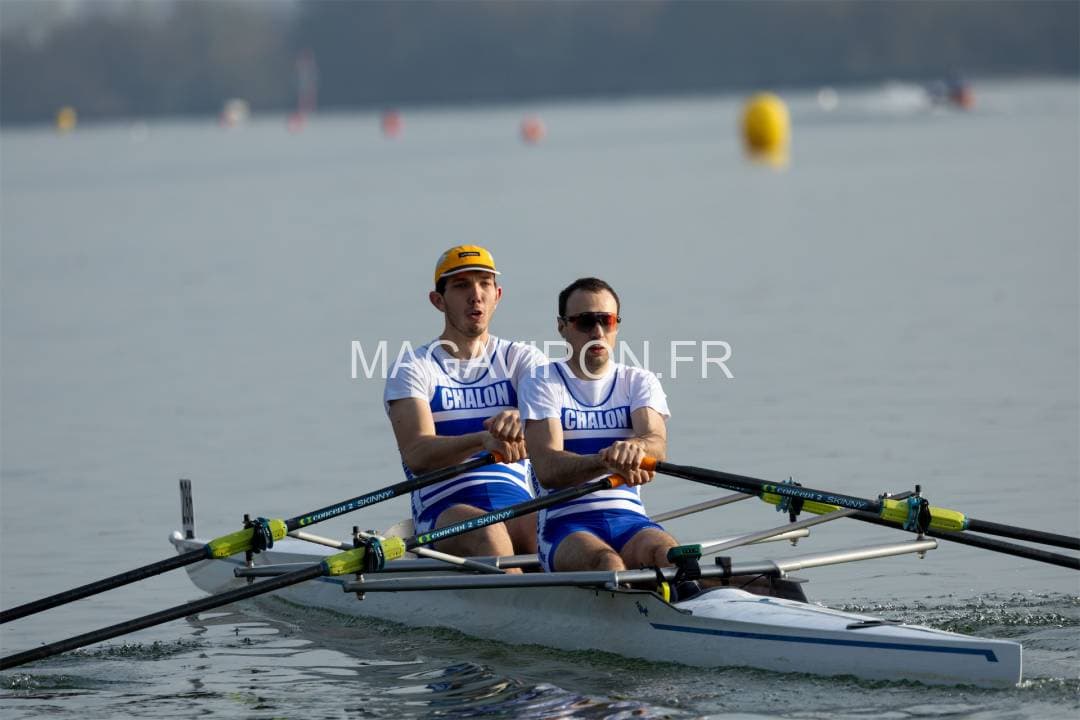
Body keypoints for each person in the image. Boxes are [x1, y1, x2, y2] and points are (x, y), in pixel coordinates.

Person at [384, 245, 547, 562]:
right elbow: (417, 454)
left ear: (497, 295)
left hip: (517, 504)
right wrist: (482, 440)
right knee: (490, 533)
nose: (476, 295)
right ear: (438, 300)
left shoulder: (523, 360)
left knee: (551, 528)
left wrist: (524, 417)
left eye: (485, 284)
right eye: (461, 286)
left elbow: (555, 423)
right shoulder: (413, 368)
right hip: (443, 512)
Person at [520, 277, 678, 573]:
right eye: (585, 322)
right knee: (608, 563)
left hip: (631, 521)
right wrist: (606, 461)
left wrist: (637, 446)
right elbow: (548, 469)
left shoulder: (638, 381)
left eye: (606, 320)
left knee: (668, 554)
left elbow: (656, 444)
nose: (598, 332)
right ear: (562, 327)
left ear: (617, 324)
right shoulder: (542, 381)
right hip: (565, 526)